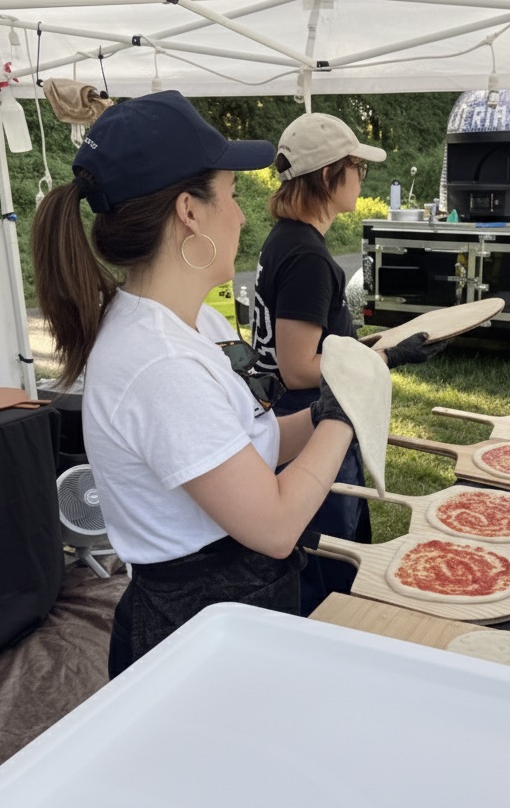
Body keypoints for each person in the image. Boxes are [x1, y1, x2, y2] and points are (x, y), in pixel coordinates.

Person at [31, 90, 368, 678]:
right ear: (189, 211)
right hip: (195, 633)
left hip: (234, 612)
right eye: (232, 195)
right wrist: (346, 414)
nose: (242, 215)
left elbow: (251, 440)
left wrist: (322, 413)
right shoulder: (158, 363)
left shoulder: (194, 323)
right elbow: (275, 525)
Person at [252, 112, 446, 615]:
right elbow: (298, 367)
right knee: (329, 568)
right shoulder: (308, 256)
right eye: (356, 164)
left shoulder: (288, 240)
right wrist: (382, 359)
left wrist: (382, 342)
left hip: (303, 419)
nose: (363, 175)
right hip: (312, 427)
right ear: (326, 175)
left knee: (335, 553)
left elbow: (325, 343)